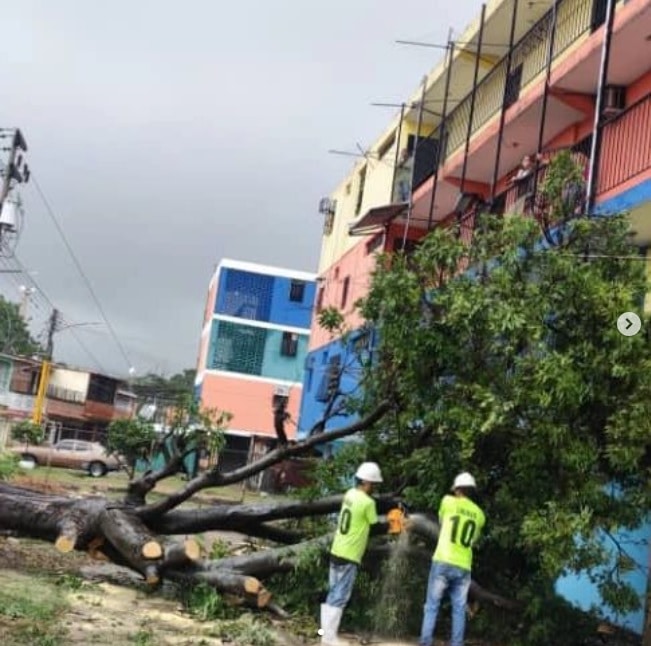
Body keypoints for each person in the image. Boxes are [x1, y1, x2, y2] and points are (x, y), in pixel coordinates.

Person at [319, 461, 384, 646]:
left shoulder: (350, 494)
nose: (375, 488)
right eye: (374, 484)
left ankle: (325, 634)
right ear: (367, 483)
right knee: (340, 595)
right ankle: (329, 638)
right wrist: (394, 523)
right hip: (350, 554)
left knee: (333, 592)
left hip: (337, 549)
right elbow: (375, 525)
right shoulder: (368, 502)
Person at [418, 472, 485, 646]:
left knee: (432, 605)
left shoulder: (447, 502)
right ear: (471, 490)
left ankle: (425, 643)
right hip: (463, 566)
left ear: (457, 489)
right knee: (458, 609)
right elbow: (473, 539)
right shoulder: (479, 515)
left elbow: (442, 522)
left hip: (443, 560)